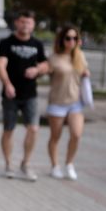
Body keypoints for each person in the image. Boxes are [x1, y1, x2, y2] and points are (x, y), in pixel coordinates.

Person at [0, 10, 48, 181]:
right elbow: (1, 65)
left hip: (30, 94)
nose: (25, 25)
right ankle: (8, 164)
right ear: (17, 23)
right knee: (8, 129)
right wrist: (7, 84)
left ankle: (26, 163)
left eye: (29, 22)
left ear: (33, 25)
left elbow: (45, 64)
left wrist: (37, 70)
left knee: (33, 128)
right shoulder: (6, 43)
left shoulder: (37, 44)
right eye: (23, 22)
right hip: (10, 94)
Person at [46, 25, 90, 181]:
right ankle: (55, 166)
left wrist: (86, 73)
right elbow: (45, 71)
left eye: (75, 38)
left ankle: (69, 163)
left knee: (76, 134)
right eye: (68, 38)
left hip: (75, 102)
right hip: (57, 102)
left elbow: (83, 72)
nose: (72, 41)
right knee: (55, 136)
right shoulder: (54, 58)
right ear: (62, 40)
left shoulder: (80, 56)